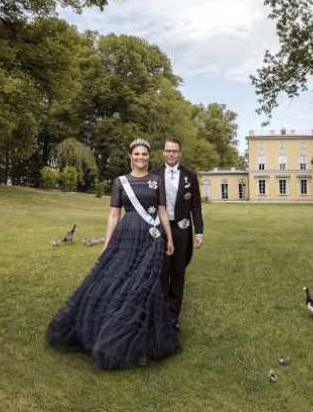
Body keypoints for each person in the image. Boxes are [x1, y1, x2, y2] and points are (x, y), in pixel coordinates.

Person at [47, 138, 180, 370]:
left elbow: (162, 211)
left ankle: (141, 345)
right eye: (136, 154)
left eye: (144, 154)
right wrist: (107, 242)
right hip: (126, 237)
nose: (140, 158)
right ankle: (111, 332)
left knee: (145, 286)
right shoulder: (120, 182)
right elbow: (114, 215)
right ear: (130, 156)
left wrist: (169, 237)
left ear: (149, 156)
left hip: (152, 238)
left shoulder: (157, 181)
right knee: (118, 282)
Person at [156, 137, 204, 332]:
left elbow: (196, 206)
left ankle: (173, 316)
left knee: (178, 273)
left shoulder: (190, 176)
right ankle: (159, 312)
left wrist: (199, 232)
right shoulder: (154, 174)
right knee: (161, 272)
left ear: (180, 153)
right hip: (160, 230)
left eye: (174, 151)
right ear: (163, 152)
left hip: (182, 230)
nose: (170, 154)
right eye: (167, 150)